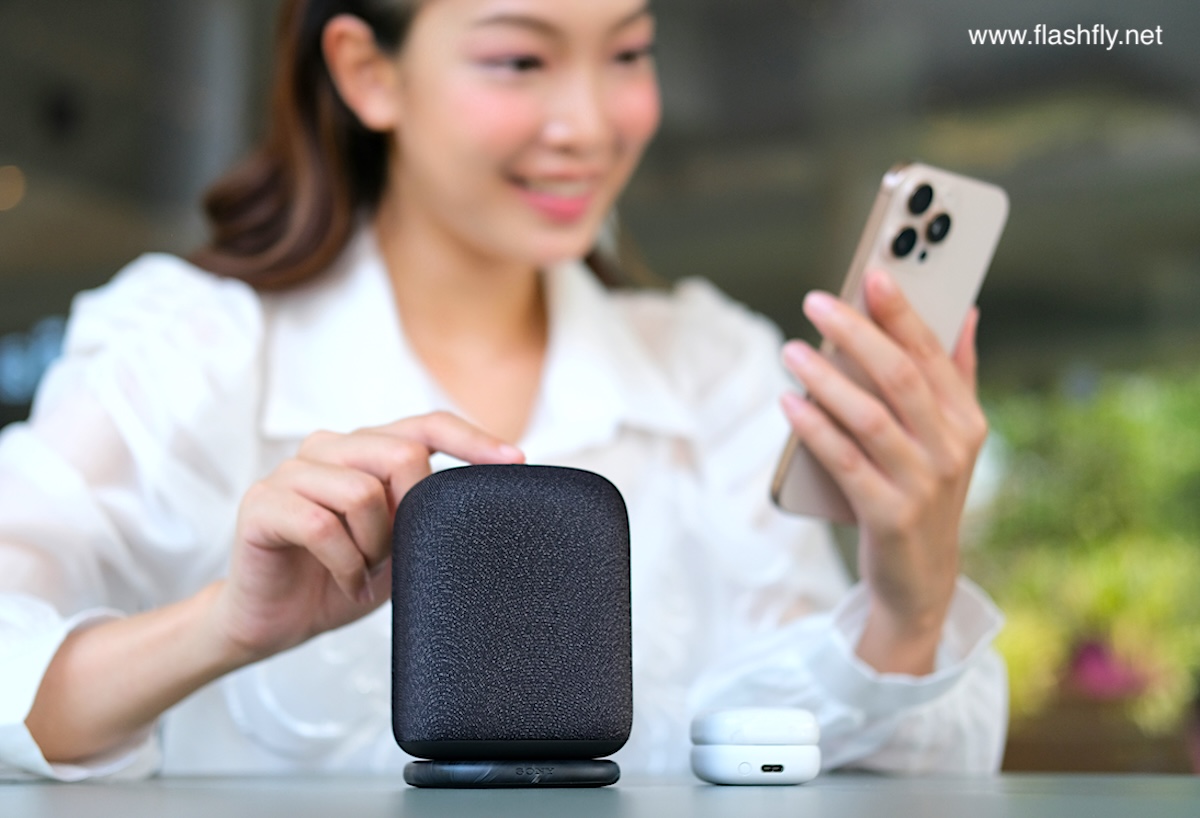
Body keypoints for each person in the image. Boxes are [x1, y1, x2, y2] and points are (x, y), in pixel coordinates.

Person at [0, 0, 1005, 781]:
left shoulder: (715, 370)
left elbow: (810, 757)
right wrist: (224, 624)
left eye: (629, 52)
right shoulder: (185, 347)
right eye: (521, 60)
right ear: (366, 72)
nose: (590, 123)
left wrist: (908, 603)